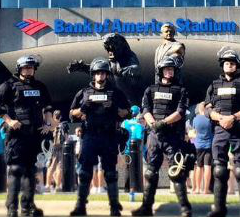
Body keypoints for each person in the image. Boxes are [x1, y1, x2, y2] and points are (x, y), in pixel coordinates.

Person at [131, 56, 193, 217]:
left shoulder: (181, 90)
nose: (169, 71)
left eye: (171, 69)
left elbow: (180, 112)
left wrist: (163, 122)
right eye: (166, 69)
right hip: (154, 136)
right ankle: (146, 208)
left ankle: (185, 208)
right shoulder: (150, 90)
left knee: (177, 172)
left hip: (172, 136)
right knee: (151, 173)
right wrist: (153, 124)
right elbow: (145, 110)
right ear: (160, 71)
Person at [0, 55, 53, 217]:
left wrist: (48, 123)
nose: (29, 70)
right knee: (16, 169)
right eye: (26, 67)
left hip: (35, 135)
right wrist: (9, 121)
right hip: (16, 135)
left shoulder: (40, 86)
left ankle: (27, 206)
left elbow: (48, 107)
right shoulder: (9, 86)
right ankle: (11, 207)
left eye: (31, 67)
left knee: (30, 170)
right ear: (19, 68)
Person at [69, 57, 130, 217]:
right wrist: (83, 108)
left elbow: (128, 112)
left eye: (103, 73)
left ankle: (114, 207)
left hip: (109, 136)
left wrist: (117, 110)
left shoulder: (116, 92)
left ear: (107, 75)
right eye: (97, 73)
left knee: (110, 173)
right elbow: (71, 114)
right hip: (90, 135)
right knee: (84, 173)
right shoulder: (83, 92)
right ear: (93, 75)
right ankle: (80, 206)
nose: (100, 76)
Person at [203, 47, 240, 217]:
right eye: (227, 63)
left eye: (232, 63)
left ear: (237, 66)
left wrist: (232, 118)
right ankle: (219, 209)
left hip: (238, 129)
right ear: (222, 65)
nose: (229, 66)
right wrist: (220, 118)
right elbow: (207, 108)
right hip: (219, 130)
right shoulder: (213, 85)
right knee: (219, 170)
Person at [121, 105, 145, 193]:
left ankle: (126, 188)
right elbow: (140, 137)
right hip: (137, 150)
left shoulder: (124, 123)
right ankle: (136, 187)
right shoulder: (140, 125)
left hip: (127, 149)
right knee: (137, 167)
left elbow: (121, 135)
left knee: (127, 168)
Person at [193, 103, 213, 194]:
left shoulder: (195, 119)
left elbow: (194, 132)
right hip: (209, 145)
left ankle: (197, 188)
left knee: (199, 167)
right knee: (207, 166)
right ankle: (206, 189)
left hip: (198, 145)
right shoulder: (210, 119)